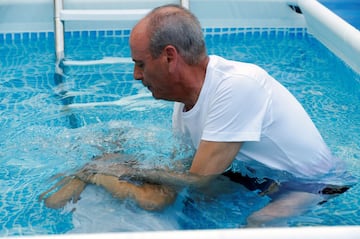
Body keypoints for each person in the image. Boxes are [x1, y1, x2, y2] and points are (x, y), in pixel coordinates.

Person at [41, 4, 352, 227]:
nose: (136, 75)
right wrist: (118, 166)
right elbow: (188, 173)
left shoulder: (237, 86)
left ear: (169, 57)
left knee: (259, 222)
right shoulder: (184, 105)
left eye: (140, 64)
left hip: (313, 184)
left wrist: (107, 170)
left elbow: (200, 179)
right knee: (189, 210)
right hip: (258, 178)